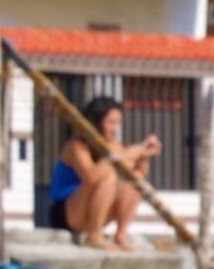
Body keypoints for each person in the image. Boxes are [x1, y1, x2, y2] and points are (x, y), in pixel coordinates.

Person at [67, 100, 165, 249]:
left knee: (135, 179)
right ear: (97, 122)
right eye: (111, 123)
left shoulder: (114, 146)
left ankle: (121, 234)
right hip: (69, 213)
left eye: (117, 123)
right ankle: (94, 235)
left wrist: (143, 155)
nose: (115, 129)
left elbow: (138, 174)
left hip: (94, 212)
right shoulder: (77, 146)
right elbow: (91, 177)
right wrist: (126, 155)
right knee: (109, 179)